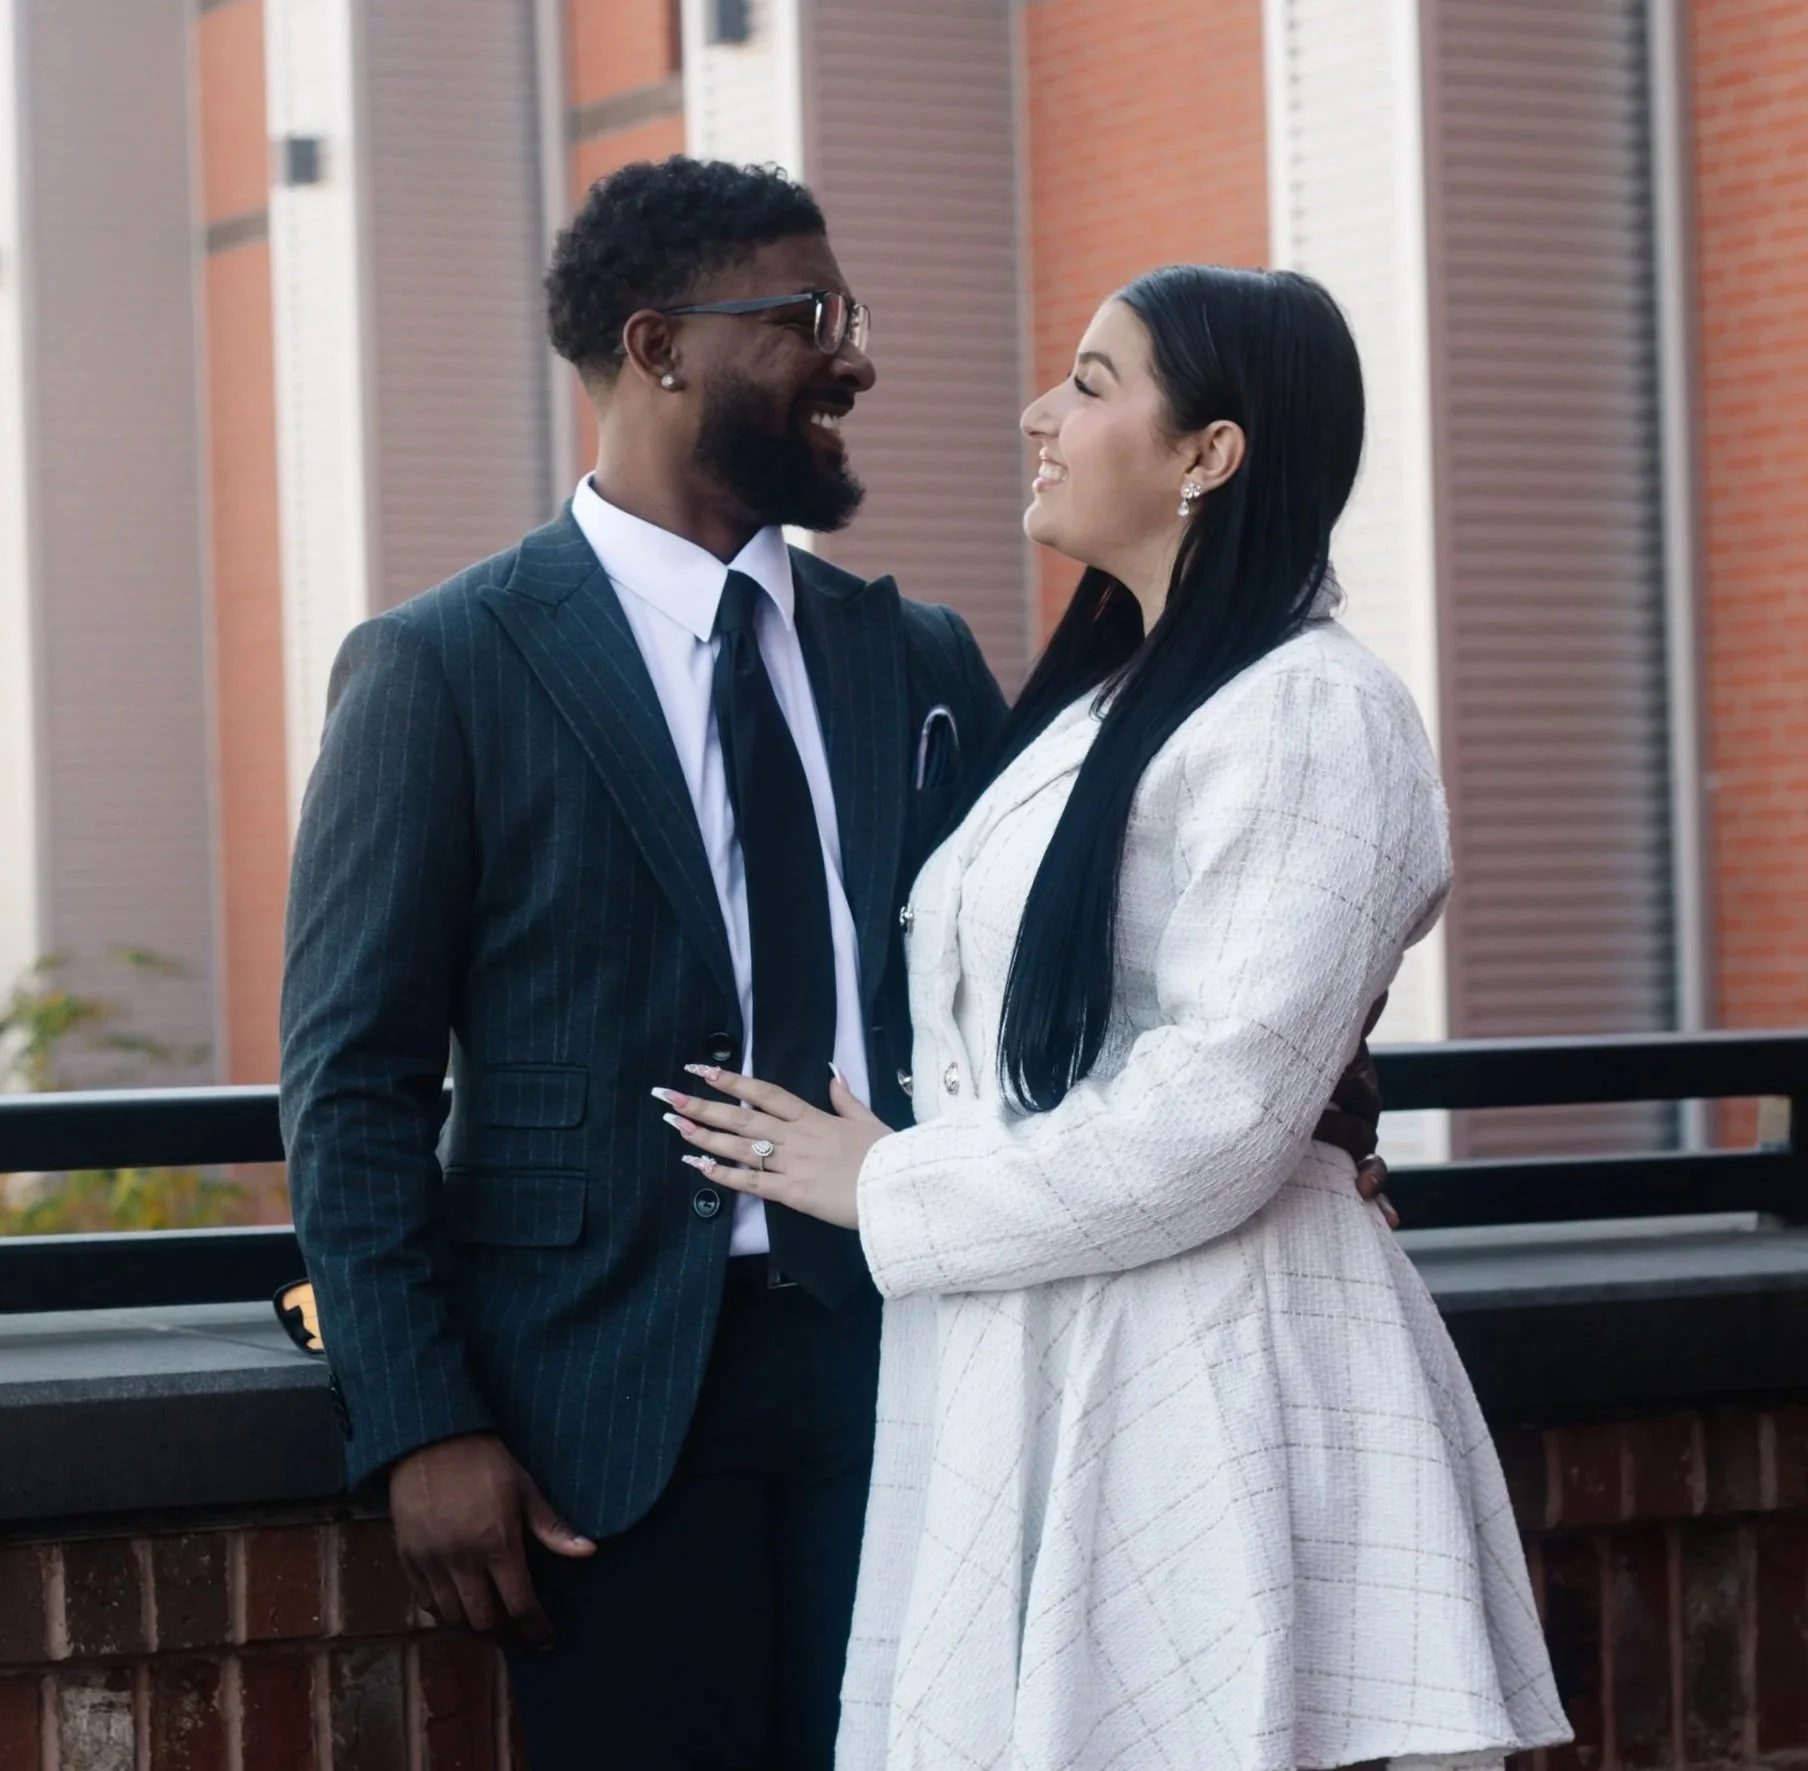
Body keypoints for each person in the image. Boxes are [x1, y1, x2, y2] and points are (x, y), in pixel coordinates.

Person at [281, 159, 1391, 1771]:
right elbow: (353, 1080)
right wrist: (420, 1421)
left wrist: (1324, 1106)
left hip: (921, 1357)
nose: (853, 357)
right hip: (599, 1402)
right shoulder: (443, 666)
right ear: (659, 347)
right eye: (810, 317)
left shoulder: (914, 655)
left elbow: (1071, 947)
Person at [655, 265, 1572, 1770]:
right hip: (1051, 1342)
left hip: (1206, 1369)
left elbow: (1217, 1114)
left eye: (1091, 384)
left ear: (1211, 452)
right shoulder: (1108, 701)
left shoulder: (1313, 709)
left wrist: (887, 1182)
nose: (1040, 414)